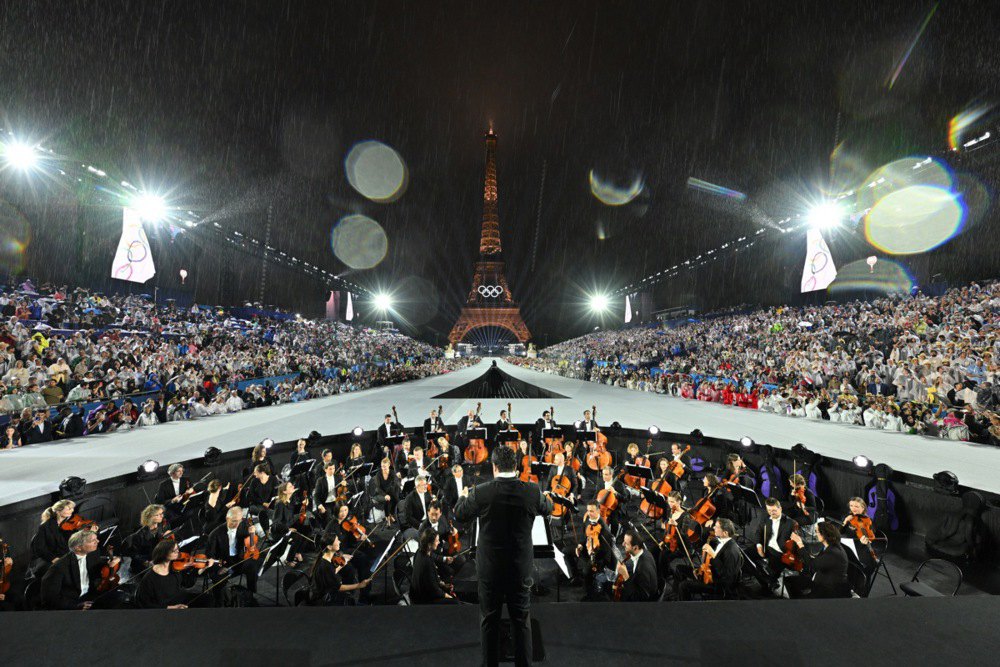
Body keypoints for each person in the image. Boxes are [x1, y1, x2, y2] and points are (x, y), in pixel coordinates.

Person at [455, 445, 553, 667]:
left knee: (489, 621)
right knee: (521, 622)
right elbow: (549, 507)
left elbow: (459, 514)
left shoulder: (481, 492)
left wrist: (463, 497)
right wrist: (544, 497)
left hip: (490, 572)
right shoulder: (531, 491)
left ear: (494, 466)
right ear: (516, 466)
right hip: (520, 571)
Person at [40, 529, 119, 610]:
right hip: (72, 604)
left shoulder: (93, 554)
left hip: (91, 596)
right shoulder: (58, 568)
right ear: (78, 548)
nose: (98, 541)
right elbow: (49, 598)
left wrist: (114, 560)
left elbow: (99, 566)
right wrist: (76, 606)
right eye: (93, 540)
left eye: (96, 538)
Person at [136, 539, 217, 608]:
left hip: (180, 598)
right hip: (165, 606)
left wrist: (205, 567)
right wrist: (171, 608)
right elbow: (144, 603)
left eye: (177, 549)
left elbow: (187, 583)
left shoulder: (175, 567)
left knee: (209, 600)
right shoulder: (150, 577)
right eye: (174, 551)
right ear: (163, 552)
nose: (178, 552)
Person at [676, 518, 744, 601]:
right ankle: (678, 596)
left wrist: (713, 555)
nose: (714, 528)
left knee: (683, 586)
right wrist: (700, 570)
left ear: (725, 532)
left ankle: (683, 605)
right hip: (708, 573)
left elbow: (726, 577)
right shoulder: (720, 541)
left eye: (716, 526)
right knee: (679, 569)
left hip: (717, 584)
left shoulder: (731, 551)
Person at [784, 521, 851, 599]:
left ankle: (800, 605)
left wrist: (800, 543)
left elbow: (812, 565)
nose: (816, 534)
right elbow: (818, 561)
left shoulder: (832, 552)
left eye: (817, 532)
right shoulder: (831, 546)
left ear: (825, 534)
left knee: (794, 586)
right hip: (822, 578)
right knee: (789, 581)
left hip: (828, 588)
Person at [205, 507, 260, 601]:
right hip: (222, 563)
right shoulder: (215, 534)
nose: (237, 524)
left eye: (239, 521)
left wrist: (252, 534)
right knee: (219, 582)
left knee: (252, 565)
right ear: (227, 519)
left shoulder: (244, 526)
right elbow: (210, 556)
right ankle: (220, 603)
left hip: (238, 560)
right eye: (234, 521)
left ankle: (250, 594)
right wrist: (218, 568)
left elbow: (251, 546)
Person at [309, 533, 371, 605]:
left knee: (349, 570)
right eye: (337, 540)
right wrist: (360, 585)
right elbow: (338, 587)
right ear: (329, 547)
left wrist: (342, 564)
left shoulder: (325, 557)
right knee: (350, 601)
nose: (339, 542)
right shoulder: (325, 565)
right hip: (323, 598)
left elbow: (332, 572)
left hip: (325, 591)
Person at [754, 498, 797, 592]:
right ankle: (769, 581)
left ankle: (770, 583)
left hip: (779, 551)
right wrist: (759, 546)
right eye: (769, 510)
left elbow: (795, 544)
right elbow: (758, 532)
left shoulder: (790, 523)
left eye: (774, 510)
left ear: (780, 509)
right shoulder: (765, 517)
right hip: (766, 546)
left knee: (771, 569)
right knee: (745, 556)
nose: (771, 513)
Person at [419, 501, 466, 580]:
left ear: (440, 513)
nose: (434, 517)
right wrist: (444, 559)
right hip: (432, 556)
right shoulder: (423, 529)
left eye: (436, 514)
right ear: (427, 513)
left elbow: (446, 535)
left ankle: (450, 580)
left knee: (461, 560)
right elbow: (426, 552)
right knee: (449, 571)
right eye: (432, 514)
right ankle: (444, 582)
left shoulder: (442, 519)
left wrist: (452, 533)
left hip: (442, 549)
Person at [410, 528, 458, 604]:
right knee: (455, 603)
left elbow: (430, 580)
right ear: (429, 544)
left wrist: (443, 585)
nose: (439, 542)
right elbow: (434, 590)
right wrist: (447, 596)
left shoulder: (419, 551)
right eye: (437, 541)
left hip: (417, 593)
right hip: (423, 600)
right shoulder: (427, 563)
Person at [615, 529, 657, 602]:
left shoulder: (642, 569)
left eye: (626, 543)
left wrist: (626, 576)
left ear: (635, 547)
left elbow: (639, 599)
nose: (622, 544)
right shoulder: (645, 552)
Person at [366, 457, 400, 525]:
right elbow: (378, 488)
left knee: (396, 499)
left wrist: (397, 483)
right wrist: (385, 495)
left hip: (388, 492)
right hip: (378, 493)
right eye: (382, 466)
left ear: (389, 465)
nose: (383, 468)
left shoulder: (392, 473)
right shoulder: (379, 474)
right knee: (388, 499)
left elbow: (396, 483)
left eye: (384, 466)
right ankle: (388, 517)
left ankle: (390, 514)